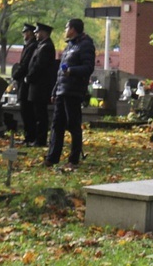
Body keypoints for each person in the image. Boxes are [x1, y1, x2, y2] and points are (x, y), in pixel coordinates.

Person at [45, 18, 95, 171]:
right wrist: (55, 90)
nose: (65, 30)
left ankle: (73, 159)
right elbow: (60, 71)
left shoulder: (86, 45)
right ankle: (52, 157)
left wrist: (72, 71)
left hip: (73, 91)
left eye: (66, 27)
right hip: (62, 91)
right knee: (57, 125)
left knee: (73, 125)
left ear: (73, 29)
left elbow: (88, 67)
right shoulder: (69, 46)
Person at [25, 22, 57, 147]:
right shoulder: (41, 45)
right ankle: (38, 139)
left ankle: (40, 140)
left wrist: (29, 77)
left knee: (40, 114)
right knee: (38, 113)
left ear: (44, 33)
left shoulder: (46, 47)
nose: (35, 34)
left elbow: (39, 66)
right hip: (37, 86)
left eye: (37, 32)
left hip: (40, 86)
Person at [11, 23, 38, 145]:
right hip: (24, 80)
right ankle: (29, 136)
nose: (24, 34)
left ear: (31, 33)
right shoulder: (29, 45)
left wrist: (15, 75)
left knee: (27, 110)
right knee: (25, 110)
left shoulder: (32, 46)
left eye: (26, 32)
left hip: (26, 81)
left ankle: (30, 136)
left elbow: (25, 64)